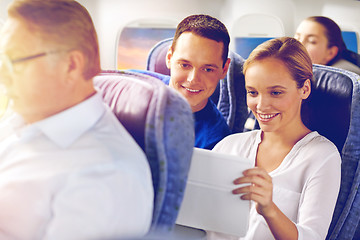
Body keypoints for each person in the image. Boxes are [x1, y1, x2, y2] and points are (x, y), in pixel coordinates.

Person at [0, 0, 153, 239]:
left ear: (71, 65)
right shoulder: (23, 119)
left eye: (14, 61)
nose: (2, 75)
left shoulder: (108, 176)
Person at [207, 37, 341, 240]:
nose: (261, 105)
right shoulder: (229, 146)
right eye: (253, 92)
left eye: (276, 92)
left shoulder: (322, 157)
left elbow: (312, 236)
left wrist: (269, 209)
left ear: (304, 89)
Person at [132, 14, 231, 150]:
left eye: (207, 69)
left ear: (224, 69)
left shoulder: (217, 141)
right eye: (185, 65)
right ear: (169, 58)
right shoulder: (129, 83)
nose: (193, 79)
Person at [295, 16, 360, 75]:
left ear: (330, 53)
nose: (299, 44)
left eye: (312, 41)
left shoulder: (340, 78)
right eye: (297, 38)